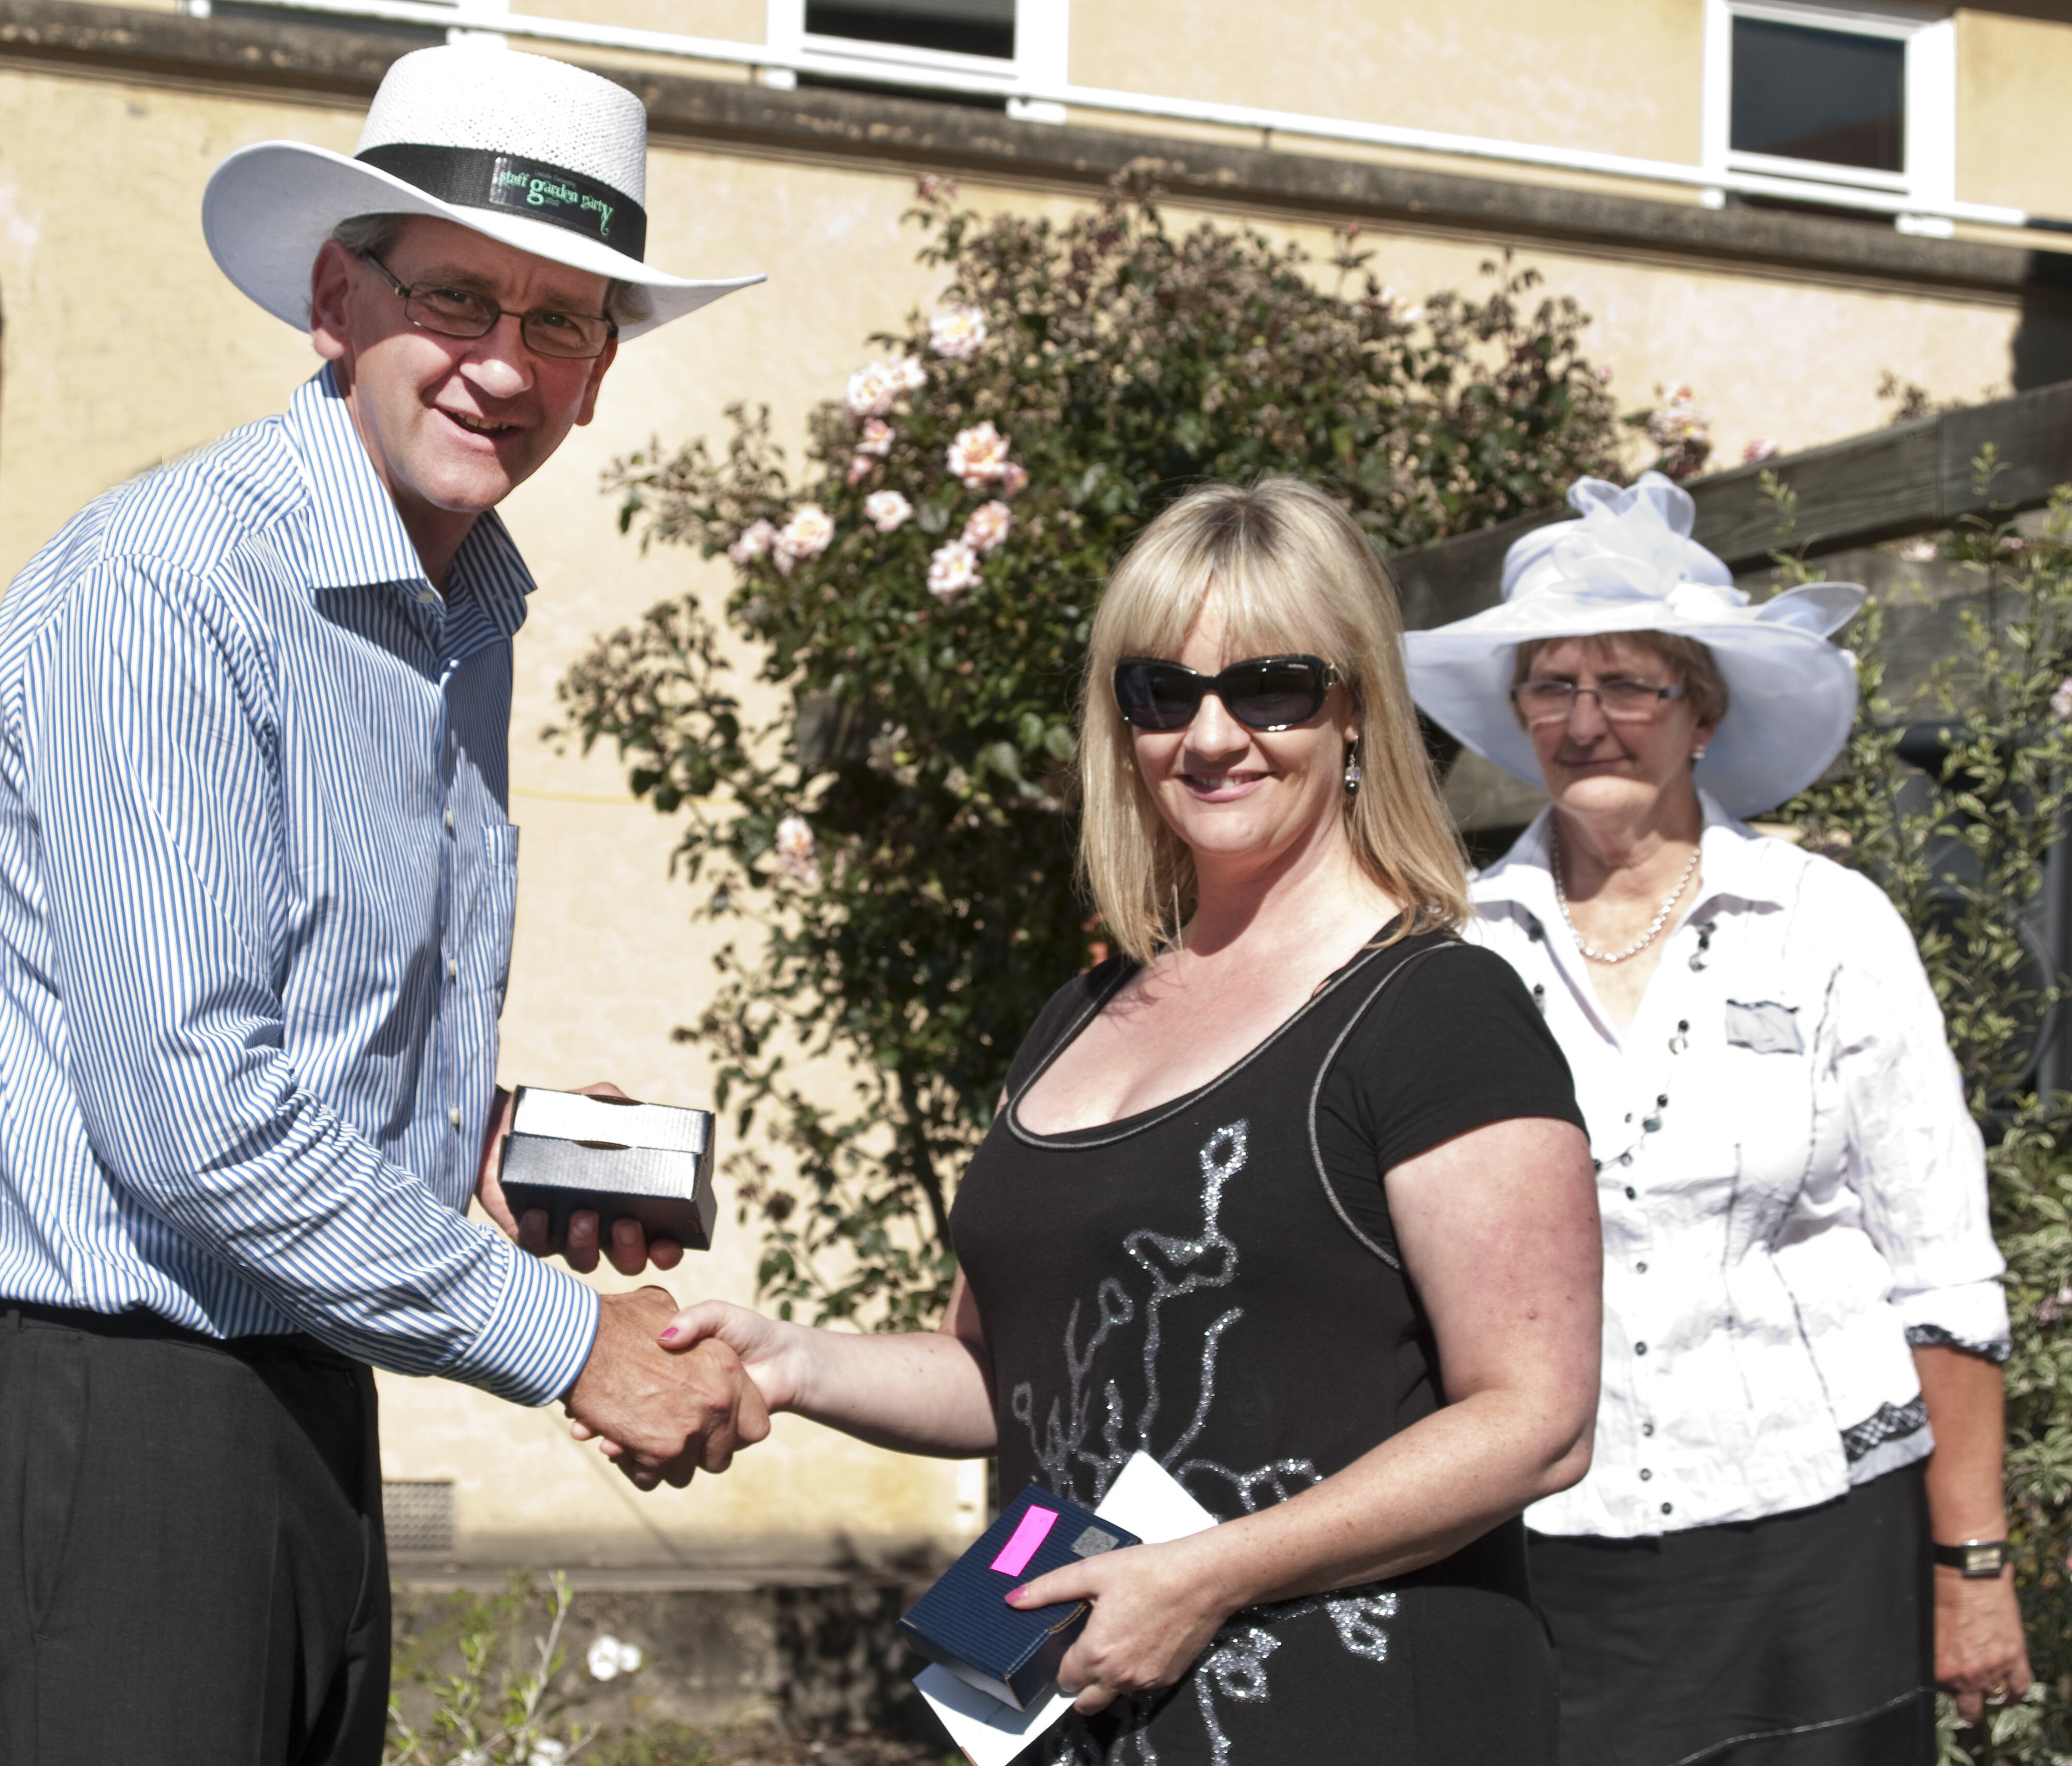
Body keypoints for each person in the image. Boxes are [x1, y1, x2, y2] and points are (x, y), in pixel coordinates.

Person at [0, 45, 771, 1763]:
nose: (504, 363)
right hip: (116, 1408)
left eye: (561, 320)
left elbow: (268, 1031)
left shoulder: (447, 612)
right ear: (338, 297)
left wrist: (477, 1142)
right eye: (458, 299)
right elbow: (190, 1117)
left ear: (601, 378)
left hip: (293, 1405)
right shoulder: (170, 585)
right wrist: (569, 1340)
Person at [648, 477, 1603, 1763]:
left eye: (1269, 685)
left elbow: (1535, 1418)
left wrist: (1210, 1572)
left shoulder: (1435, 1006)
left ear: (1357, 708)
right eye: (1162, 693)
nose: (1211, 736)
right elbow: (1007, 1375)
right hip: (1081, 1722)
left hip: (1353, 1717)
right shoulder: (1083, 1011)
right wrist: (792, 1362)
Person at [1404, 471, 2031, 1766]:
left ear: (1701, 713)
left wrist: (1970, 1563)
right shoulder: (1449, 950)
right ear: (1518, 714)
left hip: (1818, 1538)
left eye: (1629, 683)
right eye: (1551, 686)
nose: (1588, 720)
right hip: (1541, 1547)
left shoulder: (1828, 925)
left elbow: (1940, 1267)